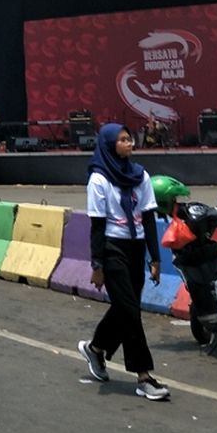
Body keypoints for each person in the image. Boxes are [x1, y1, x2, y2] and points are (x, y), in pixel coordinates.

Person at [76, 123, 169, 401]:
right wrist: (97, 265)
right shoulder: (99, 180)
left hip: (136, 247)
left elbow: (150, 219)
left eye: (130, 139)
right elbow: (96, 226)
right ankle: (143, 377)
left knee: (124, 308)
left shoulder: (141, 176)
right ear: (108, 145)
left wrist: (155, 258)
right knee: (130, 312)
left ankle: (95, 349)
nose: (130, 144)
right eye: (123, 140)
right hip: (112, 247)